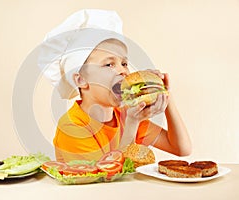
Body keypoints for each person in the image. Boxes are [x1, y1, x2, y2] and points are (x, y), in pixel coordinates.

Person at [39, 9, 191, 162]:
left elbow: (181, 148)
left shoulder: (125, 114)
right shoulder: (72, 128)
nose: (122, 71)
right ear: (81, 80)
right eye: (109, 64)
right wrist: (132, 123)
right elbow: (104, 177)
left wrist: (164, 93)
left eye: (124, 63)